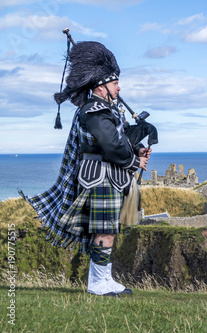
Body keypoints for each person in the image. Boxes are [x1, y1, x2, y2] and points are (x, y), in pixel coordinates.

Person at [20, 41, 150, 297]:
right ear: (101, 86)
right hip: (100, 178)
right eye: (115, 83)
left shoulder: (103, 110)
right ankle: (97, 283)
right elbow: (111, 148)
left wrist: (136, 150)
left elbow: (116, 142)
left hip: (107, 176)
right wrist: (135, 162)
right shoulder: (94, 111)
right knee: (104, 230)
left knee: (108, 229)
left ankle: (104, 279)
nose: (119, 87)